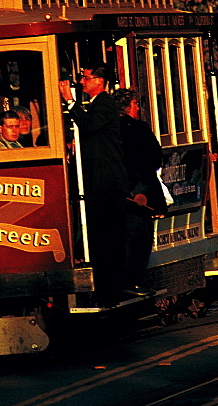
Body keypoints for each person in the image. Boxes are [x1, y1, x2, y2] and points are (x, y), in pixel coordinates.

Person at [59, 63, 128, 306]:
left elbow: (88, 126)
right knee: (101, 237)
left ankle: (110, 289)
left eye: (86, 77)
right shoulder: (96, 104)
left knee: (106, 237)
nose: (82, 82)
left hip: (106, 182)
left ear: (99, 81)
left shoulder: (105, 103)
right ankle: (106, 287)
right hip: (99, 182)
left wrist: (69, 101)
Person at [112, 88, 166, 294]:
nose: (138, 109)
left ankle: (124, 280)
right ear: (127, 106)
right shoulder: (138, 129)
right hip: (139, 192)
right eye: (136, 104)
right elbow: (155, 158)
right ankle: (133, 280)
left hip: (116, 191)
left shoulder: (108, 129)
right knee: (140, 236)